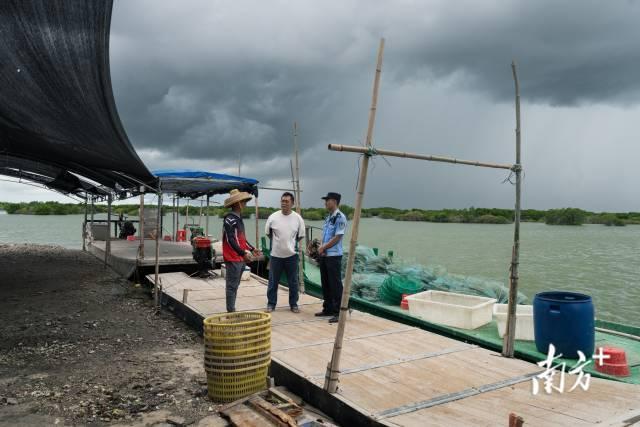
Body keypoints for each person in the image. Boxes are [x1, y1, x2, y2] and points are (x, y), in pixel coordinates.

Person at [264, 192, 305, 313]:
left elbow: (300, 236)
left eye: (287, 201)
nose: (284, 203)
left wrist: (290, 244)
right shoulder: (273, 217)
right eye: (282, 201)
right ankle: (271, 303)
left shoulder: (298, 218)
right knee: (272, 282)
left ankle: (294, 304)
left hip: (291, 256)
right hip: (275, 256)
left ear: (292, 203)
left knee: (293, 282)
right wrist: (279, 243)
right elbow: (268, 233)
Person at [222, 189, 261, 312]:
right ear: (237, 203)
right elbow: (230, 240)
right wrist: (243, 252)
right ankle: (231, 310)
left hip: (240, 258)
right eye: (243, 202)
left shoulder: (239, 219)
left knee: (235, 285)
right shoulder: (230, 219)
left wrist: (252, 249)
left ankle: (232, 308)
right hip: (233, 258)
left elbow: (242, 239)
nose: (245, 204)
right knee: (231, 286)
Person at [316, 192, 348, 323]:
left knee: (335, 284)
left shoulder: (340, 217)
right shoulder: (329, 217)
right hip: (325, 254)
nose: (325, 202)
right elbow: (326, 235)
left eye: (327, 200)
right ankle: (328, 308)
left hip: (334, 256)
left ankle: (339, 312)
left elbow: (337, 237)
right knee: (326, 283)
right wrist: (321, 247)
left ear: (334, 201)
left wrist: (324, 247)